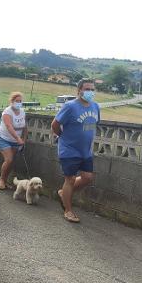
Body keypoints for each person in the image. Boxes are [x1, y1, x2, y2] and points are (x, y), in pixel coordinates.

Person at [50, 79, 100, 223]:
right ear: (79, 90)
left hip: (86, 151)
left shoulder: (96, 106)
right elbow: (55, 124)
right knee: (70, 179)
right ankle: (68, 210)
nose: (90, 92)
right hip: (69, 149)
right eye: (87, 89)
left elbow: (93, 125)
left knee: (87, 178)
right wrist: (62, 137)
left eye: (92, 89)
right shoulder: (70, 106)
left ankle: (62, 193)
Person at [0, 92, 28, 190]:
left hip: (16, 141)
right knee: (9, 159)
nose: (18, 103)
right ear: (12, 101)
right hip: (4, 138)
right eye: (16, 101)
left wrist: (24, 139)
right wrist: (18, 138)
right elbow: (9, 126)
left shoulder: (22, 111)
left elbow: (25, 127)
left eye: (20, 101)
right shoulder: (7, 112)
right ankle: (1, 179)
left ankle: (5, 180)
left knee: (11, 162)